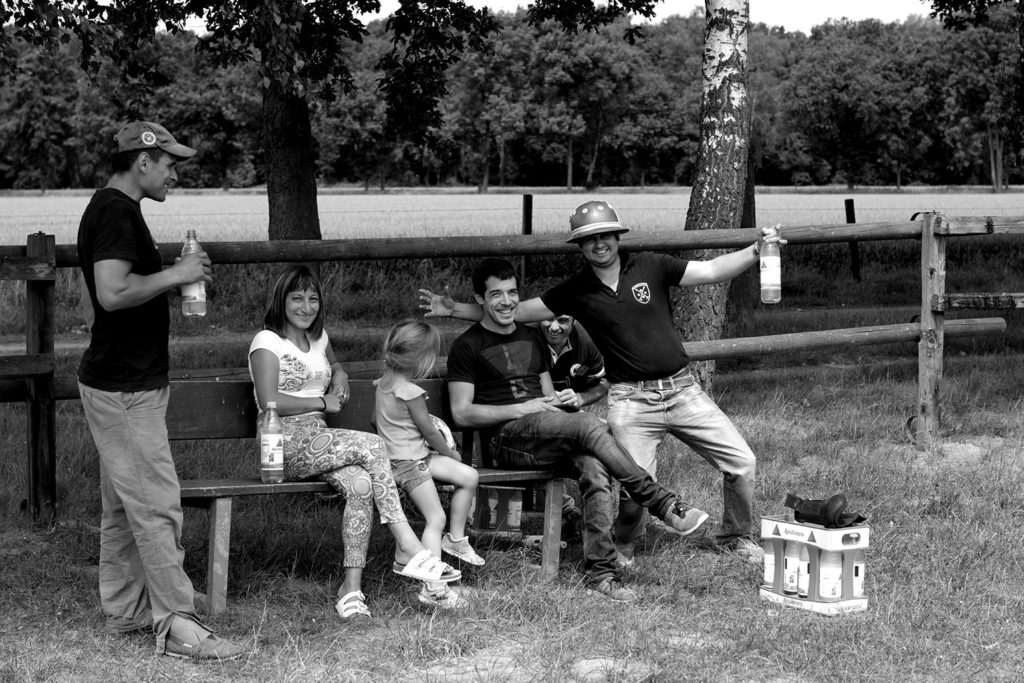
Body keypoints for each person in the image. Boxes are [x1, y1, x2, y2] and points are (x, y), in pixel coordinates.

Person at [420, 200, 784, 565]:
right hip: (631, 399)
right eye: (589, 239)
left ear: (617, 235)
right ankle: (625, 544)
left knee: (742, 461)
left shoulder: (650, 265)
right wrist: (455, 310)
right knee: (629, 484)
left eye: (605, 235)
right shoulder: (575, 290)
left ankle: (736, 536)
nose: (599, 244)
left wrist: (755, 250)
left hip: (683, 388)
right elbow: (511, 311)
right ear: (580, 246)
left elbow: (712, 270)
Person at [443, 258, 710, 602]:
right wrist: (522, 408)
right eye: (496, 294)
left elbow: (546, 396)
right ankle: (660, 501)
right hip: (505, 440)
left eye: (512, 293)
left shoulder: (532, 337)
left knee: (594, 465)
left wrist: (565, 400)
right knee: (589, 424)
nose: (506, 301)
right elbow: (462, 413)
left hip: (545, 430)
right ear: (480, 299)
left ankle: (601, 573)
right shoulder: (467, 346)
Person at [76, 120, 244, 660]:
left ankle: (126, 610)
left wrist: (173, 275)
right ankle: (177, 624)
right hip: (124, 387)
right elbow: (111, 293)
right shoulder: (115, 212)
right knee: (156, 504)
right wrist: (177, 275)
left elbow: (105, 297)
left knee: (127, 506)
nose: (174, 172)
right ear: (141, 162)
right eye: (169, 163)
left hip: (128, 381)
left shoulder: (117, 210)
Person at [249, 266, 461, 623]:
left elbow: (333, 365)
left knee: (361, 484)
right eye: (297, 298)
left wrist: (341, 374)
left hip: (322, 440)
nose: (306, 306)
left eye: (313, 298)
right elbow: (268, 399)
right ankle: (408, 546)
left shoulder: (319, 338)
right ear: (281, 301)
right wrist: (321, 403)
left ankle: (351, 591)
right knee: (374, 446)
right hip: (282, 441)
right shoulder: (266, 342)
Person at [374, 319, 484, 610]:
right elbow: (430, 432)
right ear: (421, 359)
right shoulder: (409, 392)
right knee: (435, 519)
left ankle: (456, 540)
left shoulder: (384, 383)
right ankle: (434, 589)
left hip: (412, 458)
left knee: (469, 476)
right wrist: (450, 452)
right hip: (410, 464)